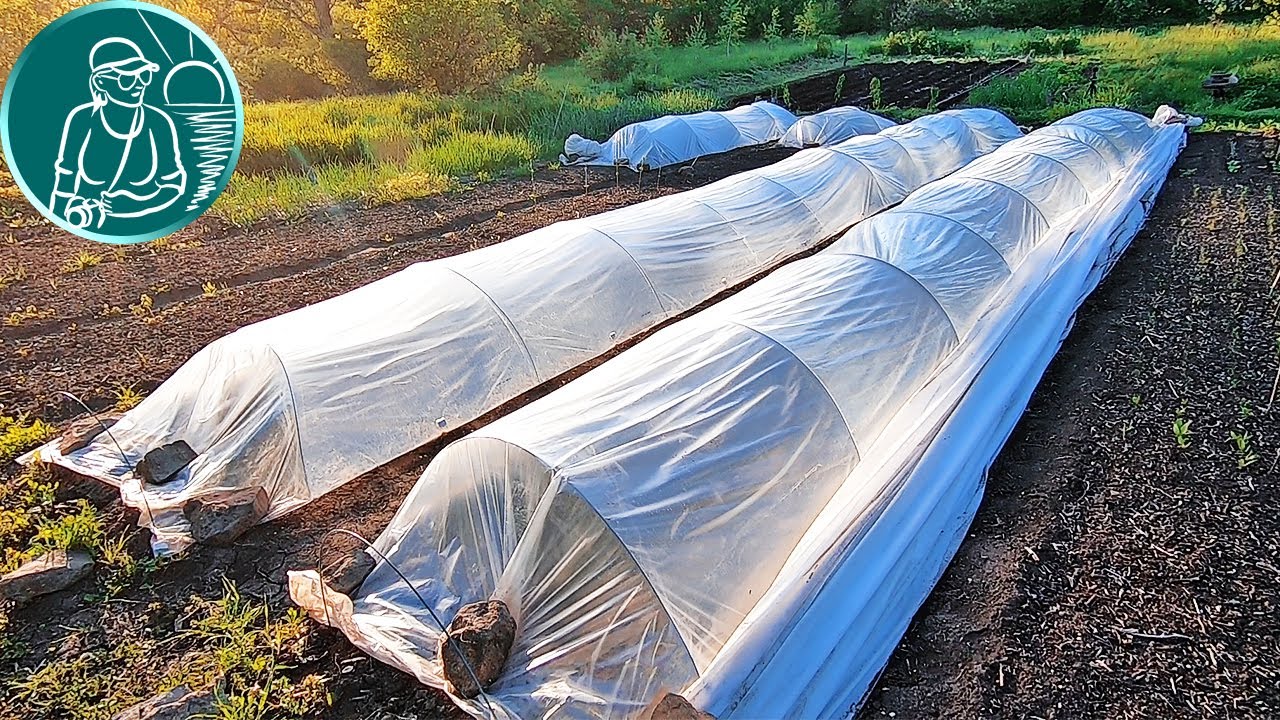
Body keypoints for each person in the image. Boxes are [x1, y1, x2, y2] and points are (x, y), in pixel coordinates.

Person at [50, 37, 186, 229]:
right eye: (127, 79)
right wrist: (60, 219)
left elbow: (174, 184)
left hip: (147, 226)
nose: (139, 84)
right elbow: (66, 176)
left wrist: (140, 205)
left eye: (144, 76)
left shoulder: (159, 122)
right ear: (101, 82)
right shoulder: (82, 119)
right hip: (88, 224)